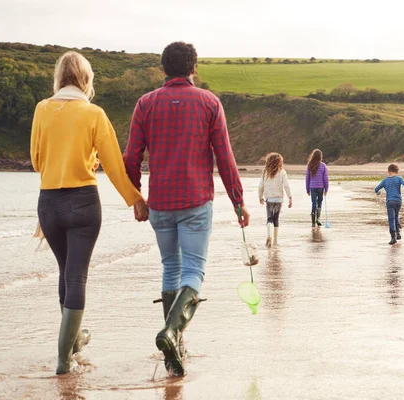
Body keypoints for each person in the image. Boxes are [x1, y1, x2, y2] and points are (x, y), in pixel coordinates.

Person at [123, 42, 248, 377]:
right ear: (194, 68)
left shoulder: (145, 103)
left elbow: (131, 157)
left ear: (164, 69)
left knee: (170, 268)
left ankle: (173, 351)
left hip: (160, 202)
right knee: (194, 271)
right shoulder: (209, 102)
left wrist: (136, 198)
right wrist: (238, 201)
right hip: (195, 200)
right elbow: (225, 158)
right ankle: (172, 334)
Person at [30, 51, 148, 375]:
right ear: (86, 79)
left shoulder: (42, 109)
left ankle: (72, 342)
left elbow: (38, 161)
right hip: (83, 202)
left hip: (50, 204)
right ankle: (62, 358)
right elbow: (113, 165)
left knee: (66, 272)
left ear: (58, 78)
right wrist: (135, 199)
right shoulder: (94, 113)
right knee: (76, 274)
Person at [258, 153, 292, 247]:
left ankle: (269, 236)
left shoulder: (265, 172)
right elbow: (286, 185)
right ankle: (275, 241)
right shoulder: (282, 172)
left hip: (269, 199)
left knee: (269, 218)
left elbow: (261, 186)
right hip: (279, 199)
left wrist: (260, 197)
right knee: (276, 218)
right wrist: (290, 197)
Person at [375, 164, 404, 245]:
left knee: (391, 218)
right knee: (396, 216)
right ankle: (398, 233)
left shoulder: (385, 180)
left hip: (390, 201)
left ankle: (393, 238)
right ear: (397, 171)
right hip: (398, 201)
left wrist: (378, 193)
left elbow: (376, 189)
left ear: (388, 171)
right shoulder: (399, 178)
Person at [305, 149, 329, 228]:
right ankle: (318, 219)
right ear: (320, 157)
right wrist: (326, 188)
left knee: (313, 203)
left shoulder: (309, 165)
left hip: (312, 187)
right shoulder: (323, 165)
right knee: (319, 203)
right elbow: (325, 178)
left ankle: (313, 222)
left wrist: (307, 189)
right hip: (321, 187)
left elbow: (307, 178)